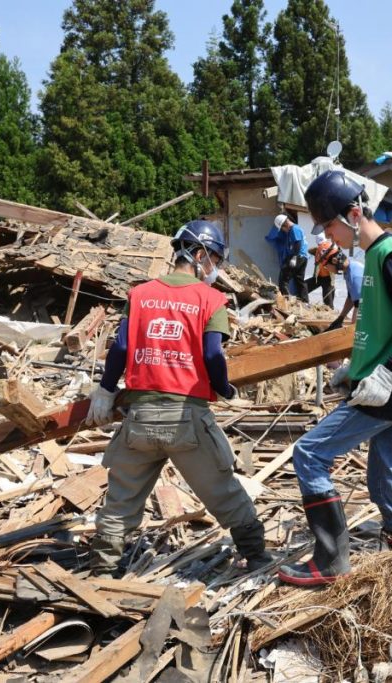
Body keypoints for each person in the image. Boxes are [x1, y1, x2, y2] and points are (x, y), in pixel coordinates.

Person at [277, 170, 392, 586]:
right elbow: (385, 325)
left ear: (353, 213)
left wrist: (384, 373)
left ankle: (330, 561)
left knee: (309, 455)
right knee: (384, 476)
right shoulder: (374, 258)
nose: (326, 236)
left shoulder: (390, 253)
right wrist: (359, 365)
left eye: (329, 224)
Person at [84, 220, 273, 576]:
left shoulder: (140, 295)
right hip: (187, 417)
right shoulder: (211, 299)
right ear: (199, 254)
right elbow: (214, 354)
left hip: (139, 418)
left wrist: (106, 390)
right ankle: (258, 556)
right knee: (223, 491)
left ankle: (102, 569)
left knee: (121, 500)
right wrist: (223, 386)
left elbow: (121, 346)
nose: (215, 268)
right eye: (214, 259)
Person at [266, 213, 309, 302]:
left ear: (284, 224)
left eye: (282, 228)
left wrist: (294, 257)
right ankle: (305, 302)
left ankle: (287, 301)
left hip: (297, 256)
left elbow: (297, 244)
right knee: (299, 280)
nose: (282, 230)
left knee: (283, 280)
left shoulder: (294, 229)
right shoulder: (296, 228)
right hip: (303, 257)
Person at [324, 249, 364, 331]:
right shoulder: (348, 271)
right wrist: (341, 318)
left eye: (326, 266)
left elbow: (360, 306)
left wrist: (353, 330)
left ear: (334, 261)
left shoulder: (354, 274)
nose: (327, 269)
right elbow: (350, 298)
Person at [305, 237, 340, 307]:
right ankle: (304, 303)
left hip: (328, 279)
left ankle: (330, 314)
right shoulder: (318, 252)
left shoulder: (332, 253)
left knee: (328, 302)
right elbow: (309, 250)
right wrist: (318, 249)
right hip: (318, 277)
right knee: (304, 286)